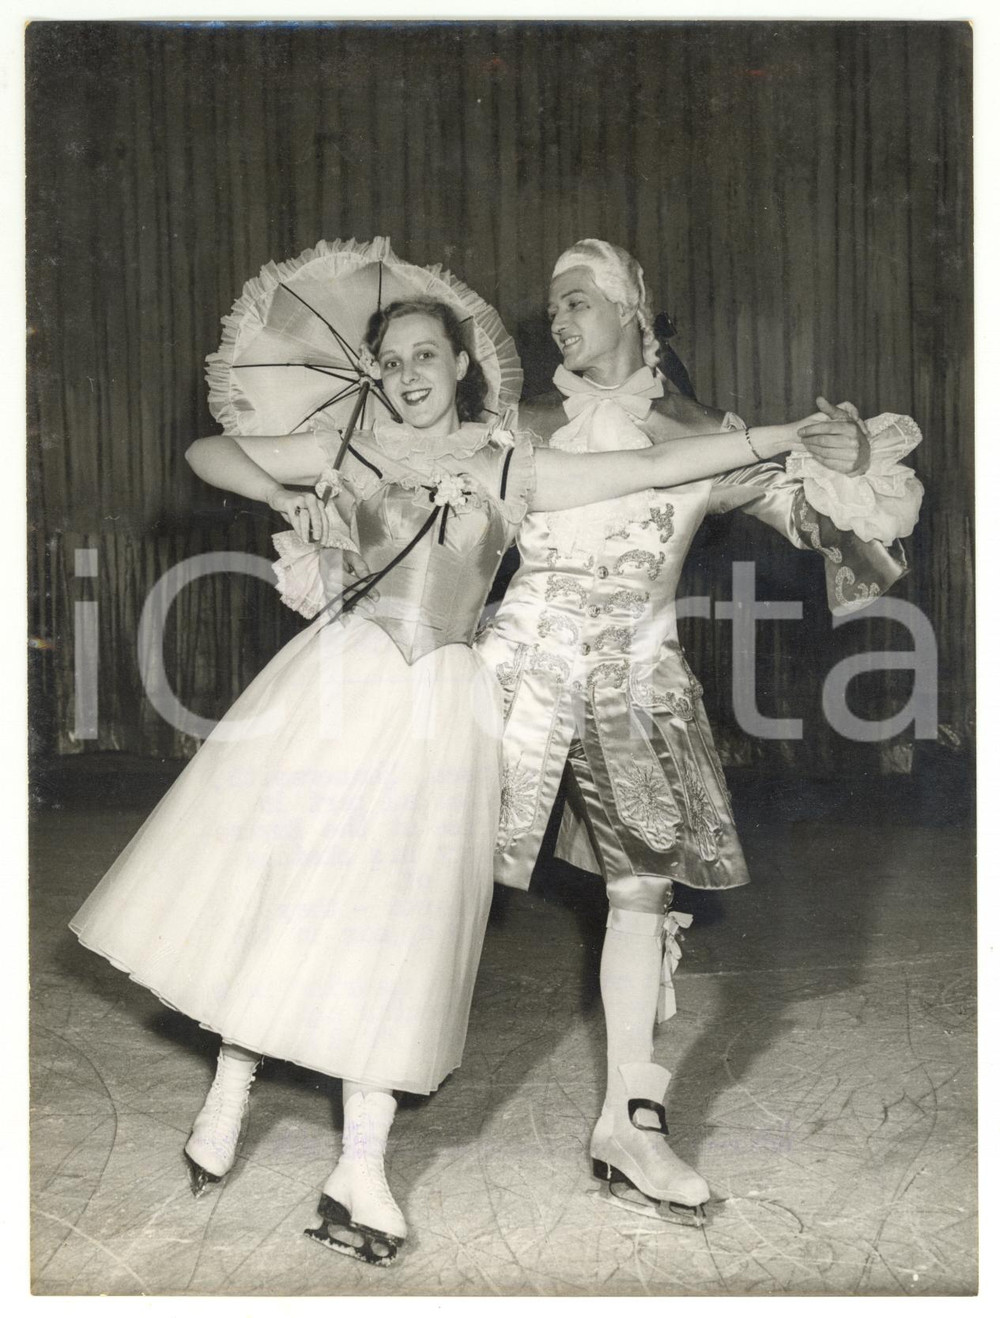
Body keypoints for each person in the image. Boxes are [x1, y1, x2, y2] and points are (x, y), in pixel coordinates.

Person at [70, 293, 827, 1266]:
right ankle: (230, 1083)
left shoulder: (507, 461)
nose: (409, 375)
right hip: (341, 689)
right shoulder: (349, 448)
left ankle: (361, 1168)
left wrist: (775, 437)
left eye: (426, 355)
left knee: (396, 924)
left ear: (463, 365)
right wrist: (282, 495)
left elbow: (647, 466)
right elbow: (207, 452)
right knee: (294, 889)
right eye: (391, 362)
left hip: (443, 709)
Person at [475, 240, 924, 1227]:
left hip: (635, 681)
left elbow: (817, 523)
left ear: (632, 307)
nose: (559, 318)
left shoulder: (704, 433)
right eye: (553, 305)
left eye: (578, 300)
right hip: (513, 677)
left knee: (642, 890)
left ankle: (627, 1121)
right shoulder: (521, 422)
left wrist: (845, 468)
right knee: (427, 871)